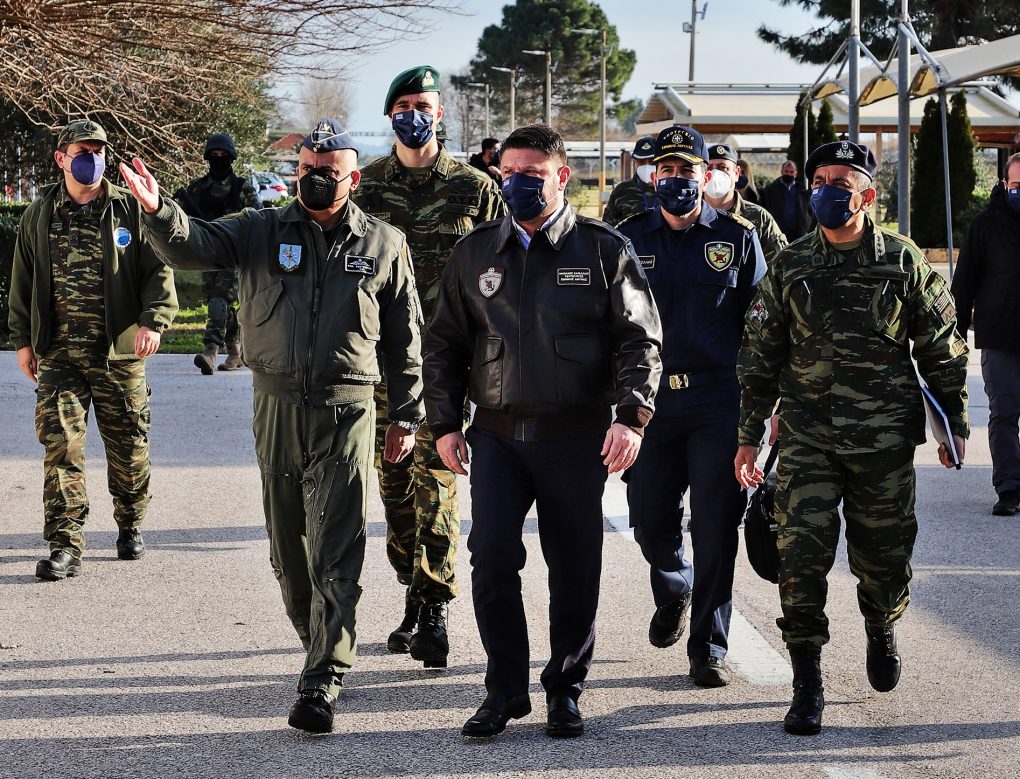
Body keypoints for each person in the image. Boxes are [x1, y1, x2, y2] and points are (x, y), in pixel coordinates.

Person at [121, 119, 424, 734]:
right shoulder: (260, 229)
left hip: (349, 411)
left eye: (329, 171)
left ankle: (323, 678)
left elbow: (405, 338)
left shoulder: (384, 244)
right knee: (289, 554)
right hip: (275, 406)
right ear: (296, 172)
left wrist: (409, 415)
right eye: (308, 168)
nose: (316, 178)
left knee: (336, 549)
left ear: (353, 178)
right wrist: (158, 211)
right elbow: (192, 246)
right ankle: (318, 641)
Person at [424, 124, 662, 739]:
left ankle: (565, 688)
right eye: (508, 174)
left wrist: (632, 418)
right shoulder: (475, 253)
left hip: (575, 438)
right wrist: (445, 423)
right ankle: (504, 690)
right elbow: (446, 344)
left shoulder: (603, 249)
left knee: (574, 566)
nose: (516, 184)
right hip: (498, 437)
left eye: (531, 174)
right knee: (492, 559)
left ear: (562, 177)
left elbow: (642, 342)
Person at [734, 140, 970, 736]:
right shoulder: (791, 264)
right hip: (807, 438)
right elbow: (761, 357)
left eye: (841, 180)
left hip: (883, 441)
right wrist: (747, 436)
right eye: (819, 179)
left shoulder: (903, 260)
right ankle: (807, 683)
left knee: (883, 555)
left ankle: (880, 625)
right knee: (801, 559)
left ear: (869, 194)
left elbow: (940, 344)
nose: (826, 189)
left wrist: (955, 424)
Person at [354, 65, 506, 670]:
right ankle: (412, 592)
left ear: (440, 114)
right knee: (393, 490)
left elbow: (502, 275)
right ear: (391, 115)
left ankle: (436, 606)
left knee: (437, 483)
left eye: (425, 104)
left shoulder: (475, 188)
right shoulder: (362, 187)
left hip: (449, 360)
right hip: (378, 362)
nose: (415, 114)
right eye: (405, 105)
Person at [616, 126, 766, 687]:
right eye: (667, 170)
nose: (677, 179)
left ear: (707, 175)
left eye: (688, 170)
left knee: (717, 523)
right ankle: (674, 581)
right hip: (649, 402)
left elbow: (764, 323)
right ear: (653, 175)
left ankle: (709, 647)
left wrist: (765, 402)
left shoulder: (738, 238)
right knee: (651, 521)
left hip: (717, 400)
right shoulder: (627, 239)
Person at [7, 119, 178, 580]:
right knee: (61, 447)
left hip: (117, 352)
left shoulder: (128, 210)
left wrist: (153, 320)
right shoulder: (39, 213)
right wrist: (23, 340)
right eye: (83, 150)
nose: (93, 158)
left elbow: (158, 269)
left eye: (99, 150)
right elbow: (22, 280)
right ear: (61, 157)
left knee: (128, 447)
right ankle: (65, 545)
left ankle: (130, 521)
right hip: (58, 354)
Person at [951, 152, 1020, 516]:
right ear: (1005, 185)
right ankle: (1009, 488)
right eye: (1017, 186)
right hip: (1001, 336)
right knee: (1004, 412)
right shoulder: (985, 226)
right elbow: (964, 285)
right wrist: (955, 336)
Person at [174, 133, 261, 374]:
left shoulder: (242, 188)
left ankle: (210, 350)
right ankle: (235, 349)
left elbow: (259, 219)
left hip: (234, 255)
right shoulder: (197, 190)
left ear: (231, 158)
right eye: (215, 156)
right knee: (219, 301)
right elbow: (180, 220)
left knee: (219, 298)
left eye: (224, 156)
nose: (219, 160)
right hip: (207, 254)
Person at [704, 143, 788, 263]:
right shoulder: (690, 216)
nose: (715, 173)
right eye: (709, 168)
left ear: (737, 173)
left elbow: (782, 265)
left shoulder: (759, 218)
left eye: (723, 168)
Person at [602, 135, 656, 226]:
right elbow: (607, 229)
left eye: (652, 161)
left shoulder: (670, 189)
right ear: (634, 163)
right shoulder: (621, 191)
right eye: (641, 162)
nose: (647, 166)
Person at [761, 159, 812, 241]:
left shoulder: (802, 191)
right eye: (786, 171)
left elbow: (810, 210)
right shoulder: (771, 189)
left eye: (791, 172)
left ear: (796, 173)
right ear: (781, 172)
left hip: (799, 234)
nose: (788, 174)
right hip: (778, 233)